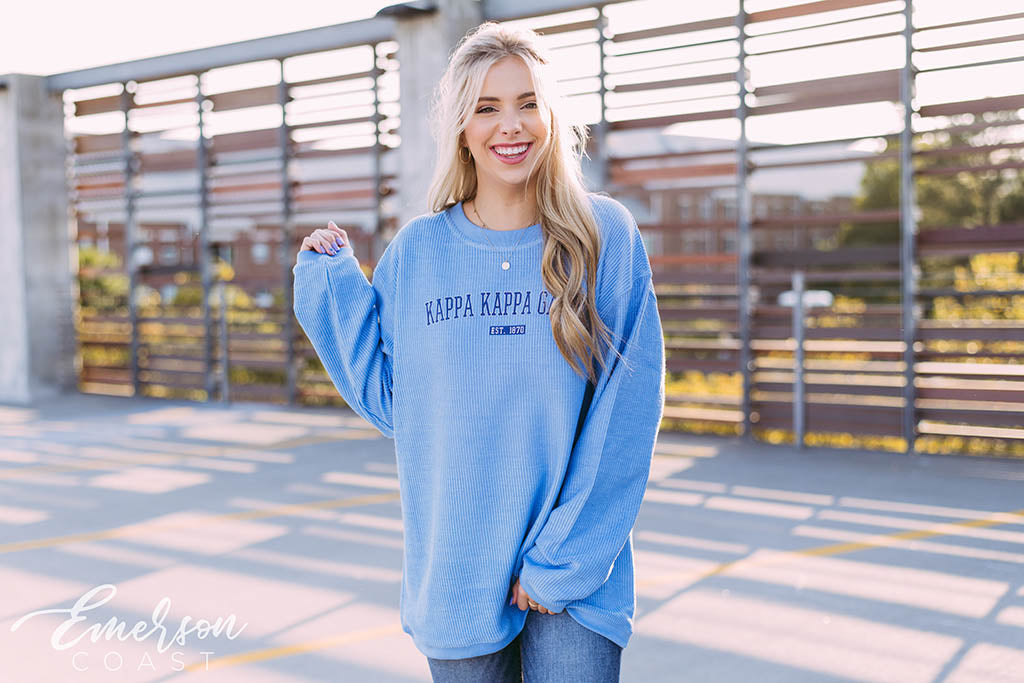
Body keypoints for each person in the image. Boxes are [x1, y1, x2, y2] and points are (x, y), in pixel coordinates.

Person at [292, 21, 665, 683]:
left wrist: (561, 563)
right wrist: (329, 287)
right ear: (462, 128)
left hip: (575, 570)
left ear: (551, 116)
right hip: (458, 568)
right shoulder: (418, 252)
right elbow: (398, 403)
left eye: (527, 103)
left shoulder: (603, 235)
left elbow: (626, 413)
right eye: (487, 108)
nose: (510, 125)